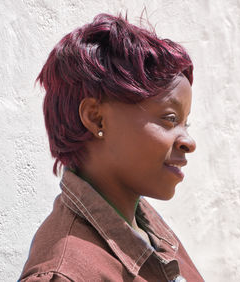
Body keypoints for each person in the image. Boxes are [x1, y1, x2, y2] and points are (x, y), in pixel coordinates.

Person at [19, 13, 203, 281]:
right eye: (169, 118)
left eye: (186, 124)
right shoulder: (64, 274)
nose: (188, 141)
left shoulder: (147, 228)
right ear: (96, 118)